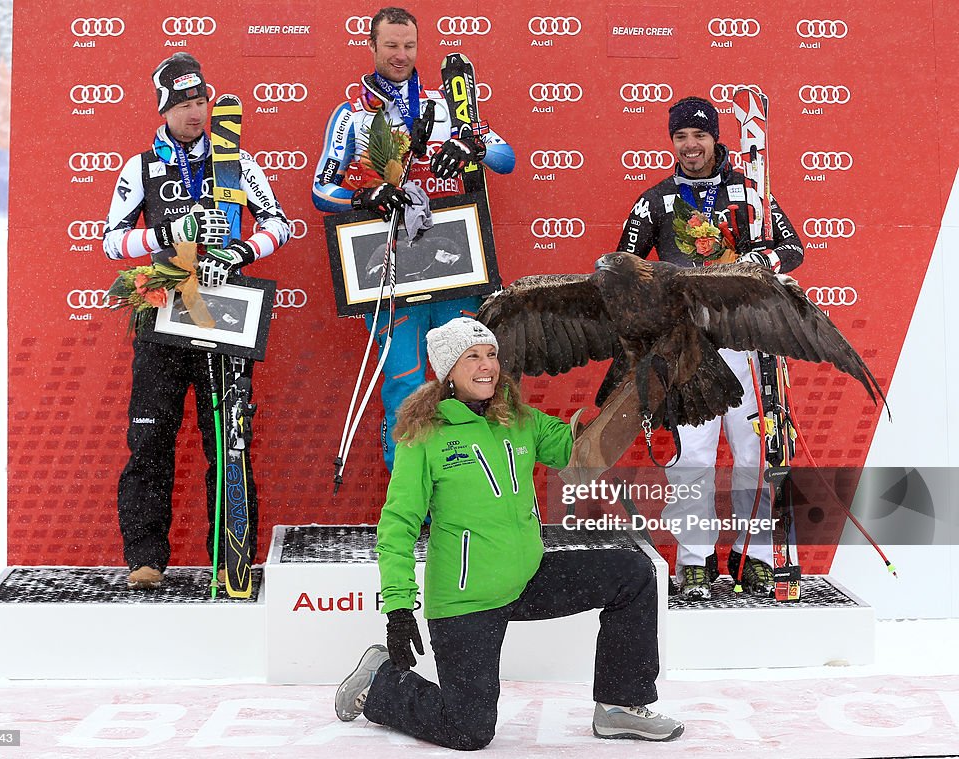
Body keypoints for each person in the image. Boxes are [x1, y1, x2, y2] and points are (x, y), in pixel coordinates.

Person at [335, 317, 683, 749]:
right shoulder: (423, 437)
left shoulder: (517, 419)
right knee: (468, 731)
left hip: (527, 577)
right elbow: (398, 526)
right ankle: (382, 681)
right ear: (448, 371)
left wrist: (632, 397)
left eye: (492, 354)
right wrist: (398, 609)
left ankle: (619, 706)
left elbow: (580, 453)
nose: (488, 365)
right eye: (473, 356)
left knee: (631, 573)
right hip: (467, 597)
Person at [102, 53, 291, 590]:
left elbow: (279, 223)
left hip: (224, 314)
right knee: (152, 439)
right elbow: (111, 239)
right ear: (163, 110)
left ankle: (232, 558)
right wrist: (165, 236)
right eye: (182, 104)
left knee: (228, 441)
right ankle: (145, 556)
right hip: (163, 311)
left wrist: (241, 253)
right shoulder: (141, 167)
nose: (193, 112)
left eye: (199, 101)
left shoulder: (235, 160)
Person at [615, 95, 804, 600]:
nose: (690, 146)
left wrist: (759, 262)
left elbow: (793, 248)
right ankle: (695, 561)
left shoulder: (751, 191)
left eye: (699, 135)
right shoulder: (654, 201)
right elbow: (624, 270)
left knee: (754, 456)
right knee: (693, 458)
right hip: (689, 352)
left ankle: (755, 557)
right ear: (671, 141)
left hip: (749, 344)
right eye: (680, 137)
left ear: (715, 138)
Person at [312, 6, 515, 472]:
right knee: (405, 385)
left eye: (408, 46)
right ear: (372, 47)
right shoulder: (352, 115)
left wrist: (475, 146)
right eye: (391, 46)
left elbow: (506, 159)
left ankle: (463, 489)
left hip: (456, 264)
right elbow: (322, 189)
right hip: (389, 268)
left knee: (467, 380)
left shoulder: (446, 105)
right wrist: (366, 195)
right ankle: (410, 497)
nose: (400, 55)